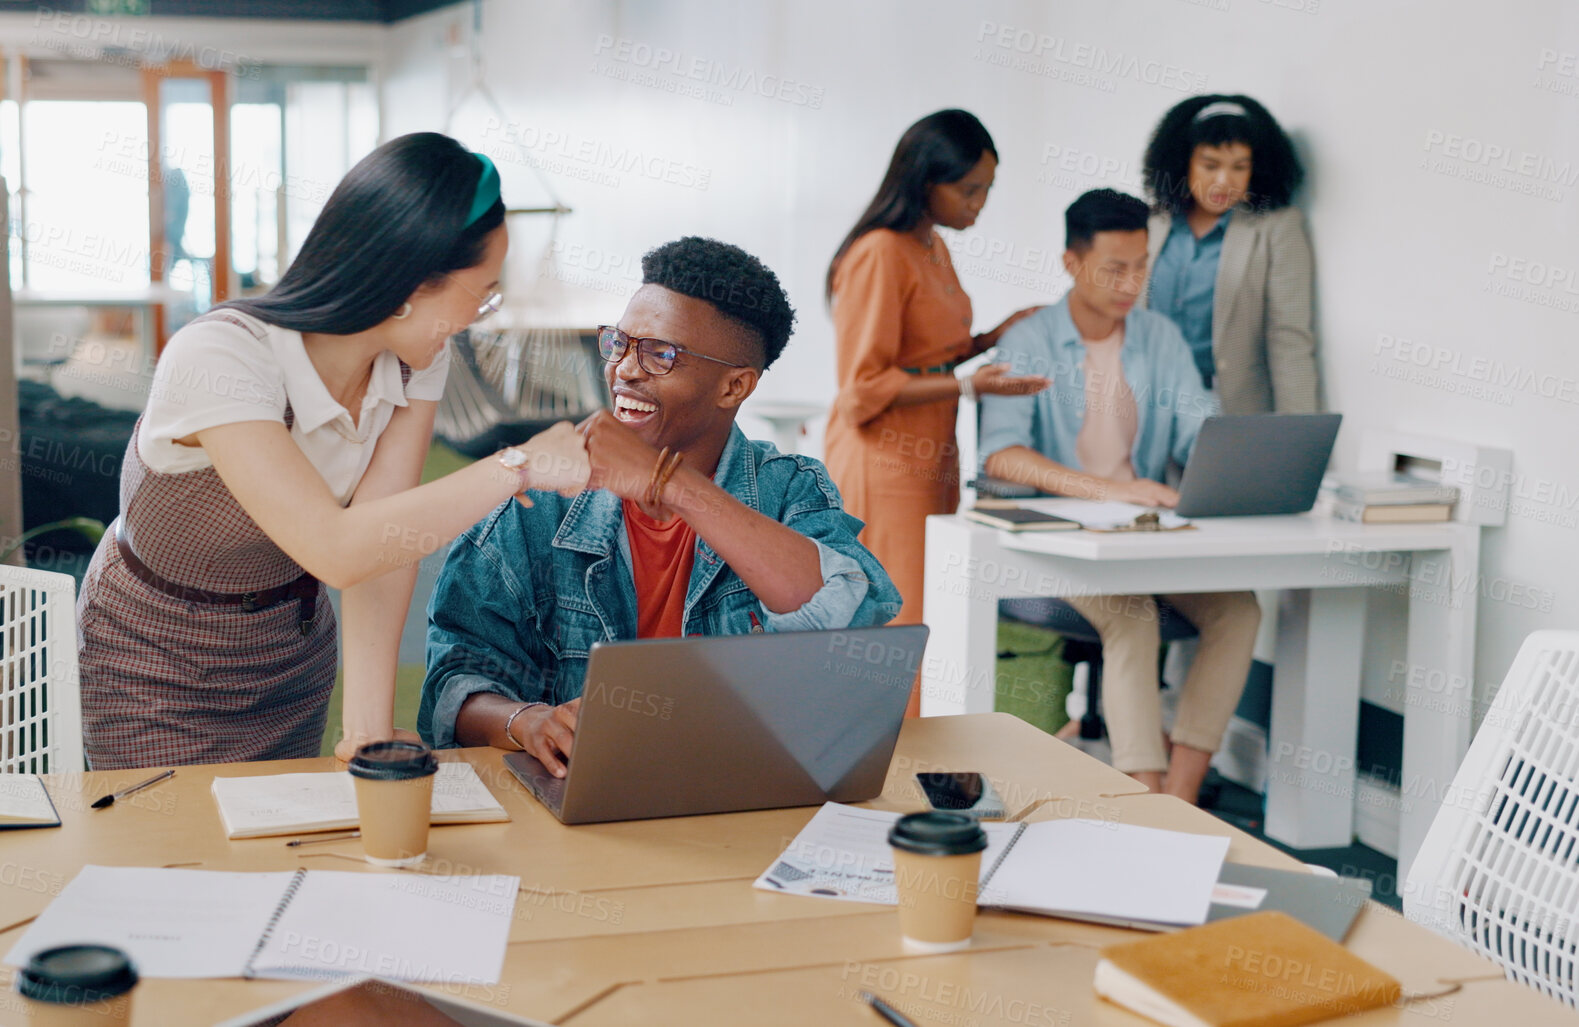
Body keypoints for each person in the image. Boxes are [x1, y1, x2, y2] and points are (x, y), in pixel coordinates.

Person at [76, 133, 591, 770]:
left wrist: (368, 731)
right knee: (172, 855)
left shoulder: (412, 360)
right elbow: (336, 548)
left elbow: (387, 543)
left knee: (280, 847)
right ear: (412, 283)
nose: (481, 314)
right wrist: (520, 465)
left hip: (288, 652)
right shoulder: (221, 354)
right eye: (481, 291)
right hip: (154, 658)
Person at [420, 238, 902, 776]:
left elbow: (852, 617)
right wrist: (526, 721)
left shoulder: (789, 490)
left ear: (734, 385)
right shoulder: (538, 502)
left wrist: (670, 485)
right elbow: (455, 676)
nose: (624, 369)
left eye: (660, 353)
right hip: (581, 801)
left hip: (740, 790)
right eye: (620, 343)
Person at [978, 189, 1259, 804]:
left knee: (1238, 610)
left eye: (1141, 266)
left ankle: (1178, 805)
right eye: (1115, 268)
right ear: (1072, 263)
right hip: (1059, 543)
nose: (1131, 282)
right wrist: (1109, 489)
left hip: (1145, 531)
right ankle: (1145, 800)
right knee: (1131, 617)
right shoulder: (1030, 340)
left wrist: (1239, 462)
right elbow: (1000, 453)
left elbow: (1199, 429)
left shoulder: (1160, 339)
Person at [822, 109, 1050, 635]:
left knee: (930, 611)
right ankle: (897, 722)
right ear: (926, 182)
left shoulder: (933, 245)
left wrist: (991, 339)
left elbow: (926, 353)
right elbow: (862, 390)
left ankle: (924, 721)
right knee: (898, 617)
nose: (980, 205)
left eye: (988, 189)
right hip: (884, 463)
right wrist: (971, 384)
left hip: (933, 454)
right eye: (969, 190)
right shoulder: (880, 252)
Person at [1141, 94, 1320, 414]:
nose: (1224, 181)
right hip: (1146, 407)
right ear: (1184, 163)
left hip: (1226, 410)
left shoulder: (1278, 229)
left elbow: (1289, 340)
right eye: (1210, 165)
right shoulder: (1153, 224)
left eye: (1240, 167)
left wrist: (1297, 439)